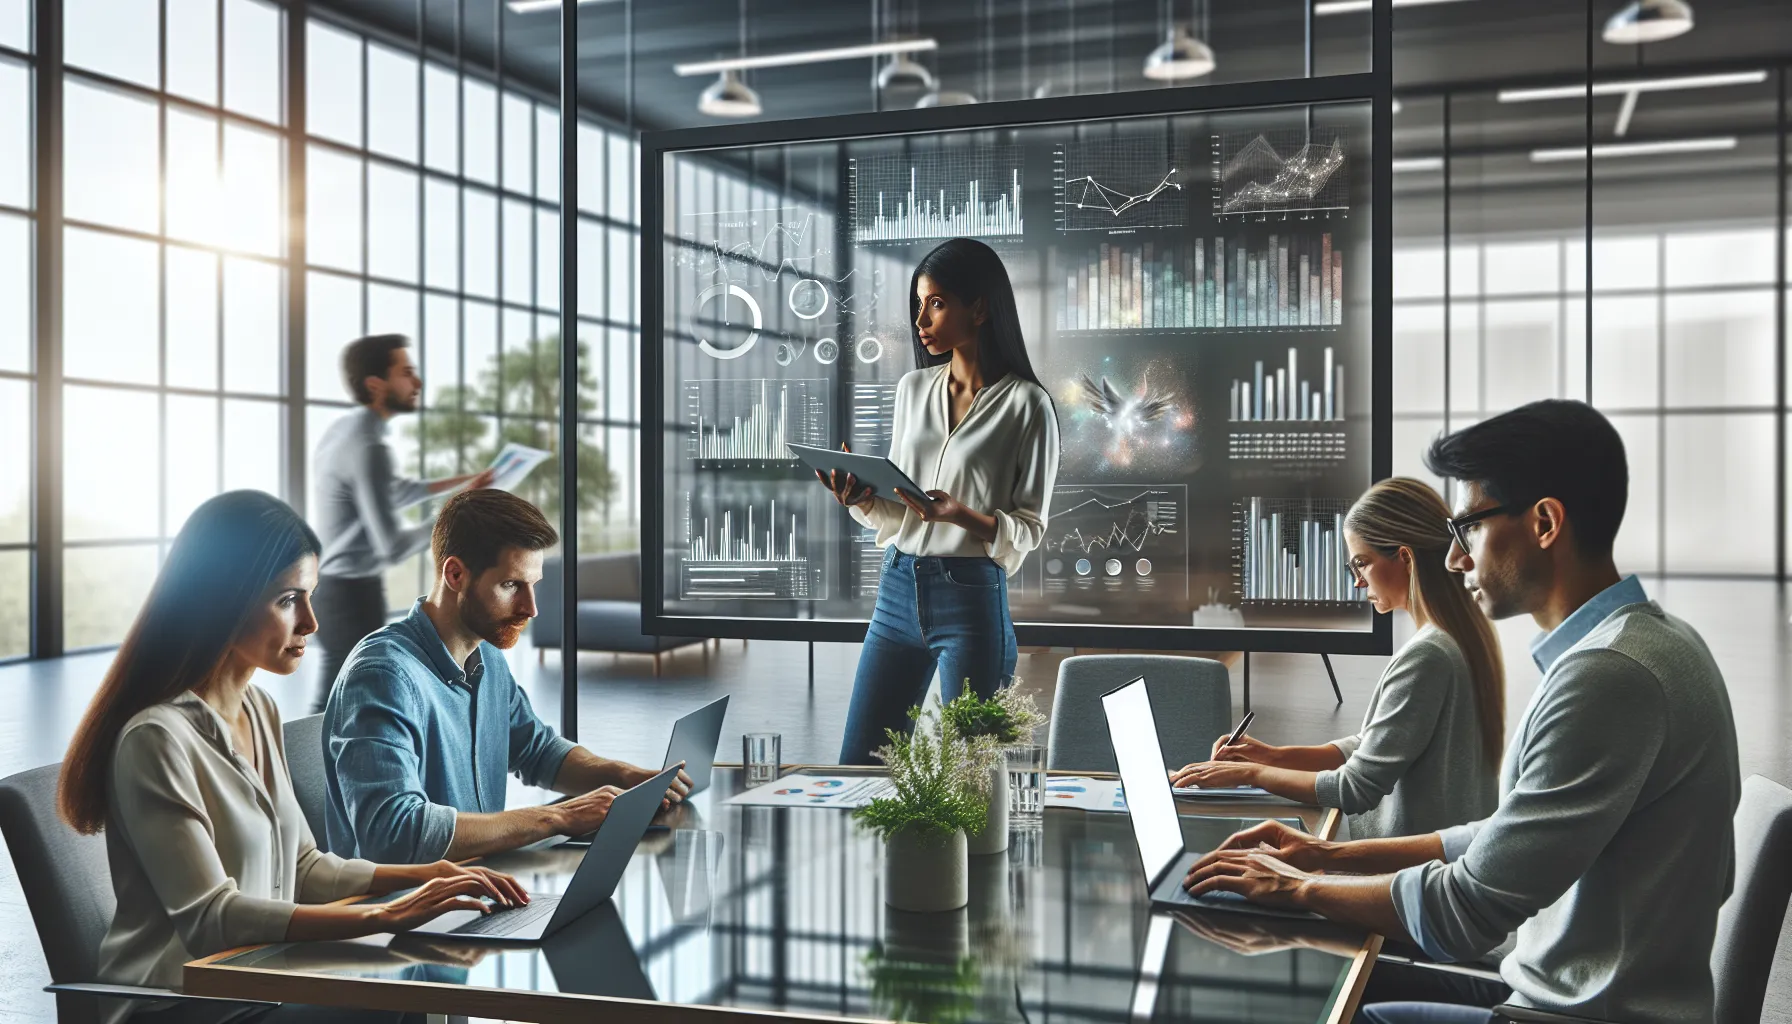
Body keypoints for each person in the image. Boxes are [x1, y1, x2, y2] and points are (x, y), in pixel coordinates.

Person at [1182, 400, 1740, 1024]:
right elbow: (1499, 836)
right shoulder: (1658, 641)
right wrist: (1322, 855)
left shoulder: (1607, 677)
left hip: (1571, 1012)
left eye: (1468, 526)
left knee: (1298, 999)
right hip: (1562, 989)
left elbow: (1466, 912)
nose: (1455, 558)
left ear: (1545, 523)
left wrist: (1296, 888)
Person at [57, 491, 528, 1024]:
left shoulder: (257, 708)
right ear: (223, 602)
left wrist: (425, 875)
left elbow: (306, 867)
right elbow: (213, 919)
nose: (311, 622)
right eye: (288, 600)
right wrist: (388, 913)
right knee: (397, 1004)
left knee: (410, 990)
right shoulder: (156, 739)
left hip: (262, 980)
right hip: (183, 1007)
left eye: (311, 596)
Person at [323, 487, 691, 863]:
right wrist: (557, 817)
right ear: (455, 574)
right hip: (408, 912)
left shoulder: (487, 658)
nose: (531, 609)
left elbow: (538, 752)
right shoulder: (383, 676)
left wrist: (626, 776)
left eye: (534, 586)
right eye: (511, 585)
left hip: (479, 889)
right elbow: (391, 833)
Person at [821, 238, 1060, 765]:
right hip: (896, 590)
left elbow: (1029, 526)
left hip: (972, 599)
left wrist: (959, 514)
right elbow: (901, 505)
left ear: (978, 306)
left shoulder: (1028, 406)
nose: (921, 320)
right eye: (918, 306)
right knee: (861, 761)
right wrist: (859, 498)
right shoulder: (912, 388)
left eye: (936, 303)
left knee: (970, 777)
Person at [1170, 477, 1503, 840]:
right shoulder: (1454, 638)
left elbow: (1357, 787)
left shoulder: (1429, 653)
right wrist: (1272, 757)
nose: (1358, 582)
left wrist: (1249, 775)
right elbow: (1372, 746)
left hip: (1406, 872)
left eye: (1361, 563)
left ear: (1405, 558)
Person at [309, 334, 496, 713]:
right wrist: (456, 510)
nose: (418, 383)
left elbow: (396, 491)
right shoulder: (369, 448)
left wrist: (465, 482)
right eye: (406, 373)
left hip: (333, 588)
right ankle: (295, 770)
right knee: (343, 703)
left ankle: (298, 769)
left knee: (341, 698)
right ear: (375, 385)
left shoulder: (347, 432)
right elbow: (391, 545)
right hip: (351, 595)